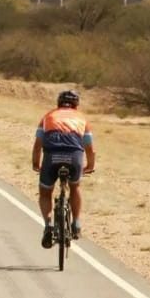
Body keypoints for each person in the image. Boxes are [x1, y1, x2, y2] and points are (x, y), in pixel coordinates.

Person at [32, 90, 96, 248]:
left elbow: (38, 145)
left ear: (58, 103)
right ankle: (76, 223)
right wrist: (90, 166)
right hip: (74, 156)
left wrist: (35, 163)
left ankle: (48, 226)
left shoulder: (47, 117)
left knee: (45, 192)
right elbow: (90, 149)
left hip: (51, 156)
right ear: (76, 104)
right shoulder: (82, 119)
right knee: (75, 187)